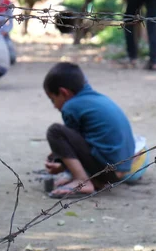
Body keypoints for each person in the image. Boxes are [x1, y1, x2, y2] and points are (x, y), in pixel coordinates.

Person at [43, 62, 148, 198]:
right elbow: (79, 142)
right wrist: (62, 164)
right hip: (121, 169)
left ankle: (82, 180)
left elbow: (71, 144)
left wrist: (66, 168)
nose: (54, 106)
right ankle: (93, 180)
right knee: (59, 150)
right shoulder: (96, 98)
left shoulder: (71, 106)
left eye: (53, 99)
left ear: (64, 92)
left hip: (108, 170)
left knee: (55, 132)